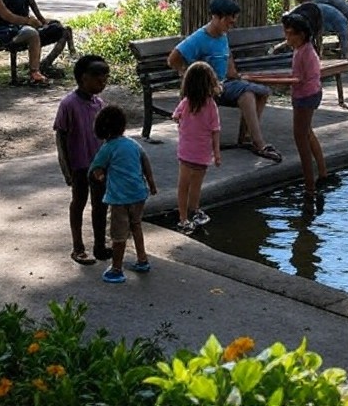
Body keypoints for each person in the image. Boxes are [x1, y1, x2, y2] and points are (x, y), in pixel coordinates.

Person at [168, 0, 280, 162]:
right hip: (208, 88)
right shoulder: (199, 38)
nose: (231, 25)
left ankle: (249, 137)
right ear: (216, 17)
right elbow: (173, 59)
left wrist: (237, 74)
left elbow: (227, 60)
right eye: (229, 21)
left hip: (224, 84)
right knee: (247, 93)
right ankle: (260, 144)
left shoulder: (222, 35)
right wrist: (187, 74)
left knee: (261, 92)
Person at [89, 105, 157, 283]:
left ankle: (116, 269)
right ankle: (142, 260)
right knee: (136, 226)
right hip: (139, 194)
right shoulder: (133, 144)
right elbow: (146, 163)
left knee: (118, 235)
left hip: (120, 198)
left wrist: (101, 176)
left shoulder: (107, 148)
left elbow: (96, 167)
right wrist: (151, 184)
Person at [54, 55, 112, 265]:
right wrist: (67, 171)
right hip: (78, 165)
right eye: (98, 78)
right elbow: (61, 138)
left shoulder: (99, 104)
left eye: (105, 78)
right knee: (79, 202)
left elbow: (107, 137)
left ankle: (99, 246)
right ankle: (78, 248)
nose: (102, 82)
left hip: (98, 165)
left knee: (101, 204)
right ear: (82, 78)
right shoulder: (68, 104)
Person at [171, 61, 222, 234]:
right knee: (196, 185)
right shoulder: (211, 105)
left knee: (183, 185)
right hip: (202, 152)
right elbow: (215, 130)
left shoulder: (186, 102)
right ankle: (194, 209)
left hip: (186, 151)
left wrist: (181, 122)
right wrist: (217, 153)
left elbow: (175, 116)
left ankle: (183, 217)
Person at [282, 13, 328, 195]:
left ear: (300, 35)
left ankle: (310, 186)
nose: (287, 38)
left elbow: (298, 79)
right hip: (311, 93)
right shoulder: (304, 49)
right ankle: (322, 173)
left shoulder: (304, 53)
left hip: (305, 97)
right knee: (307, 132)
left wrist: (274, 81)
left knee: (300, 138)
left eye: (289, 34)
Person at [2, 0, 76, 77]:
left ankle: (47, 62)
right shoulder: (4, 0)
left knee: (58, 25)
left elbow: (37, 14)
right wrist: (34, 22)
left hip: (29, 28)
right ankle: (45, 64)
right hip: (22, 34)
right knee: (62, 31)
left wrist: (43, 22)